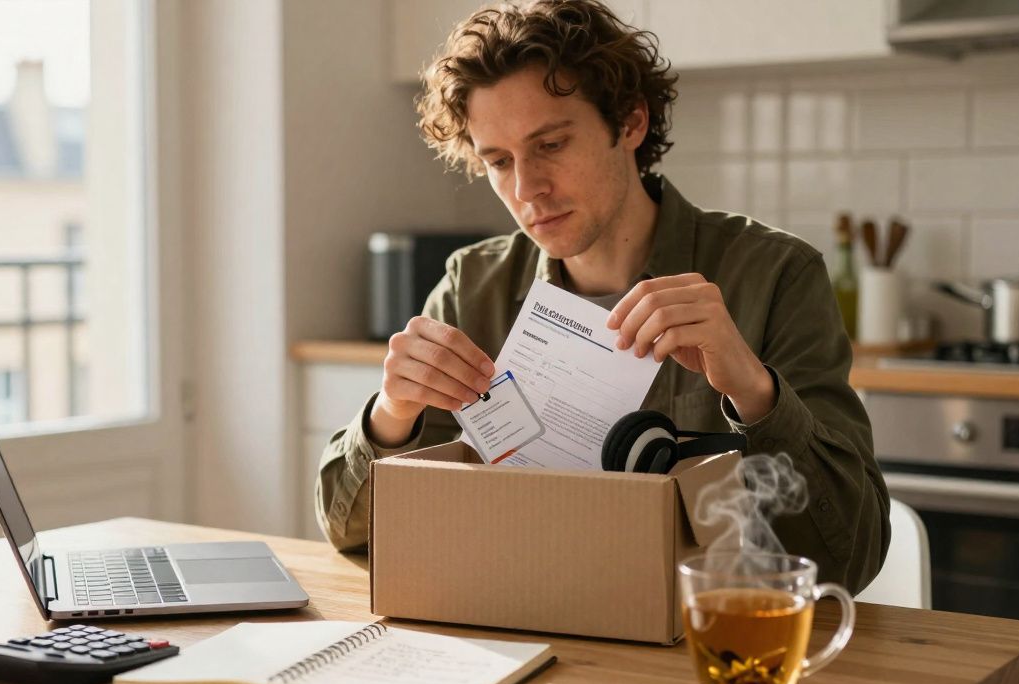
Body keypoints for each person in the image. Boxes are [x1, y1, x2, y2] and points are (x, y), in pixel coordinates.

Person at [314, 0, 889, 592]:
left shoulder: (775, 276)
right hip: (524, 627)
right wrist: (392, 417)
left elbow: (852, 557)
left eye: (552, 145)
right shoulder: (473, 286)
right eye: (498, 161)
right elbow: (346, 532)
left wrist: (752, 388)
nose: (527, 189)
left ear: (631, 123)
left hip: (702, 645)